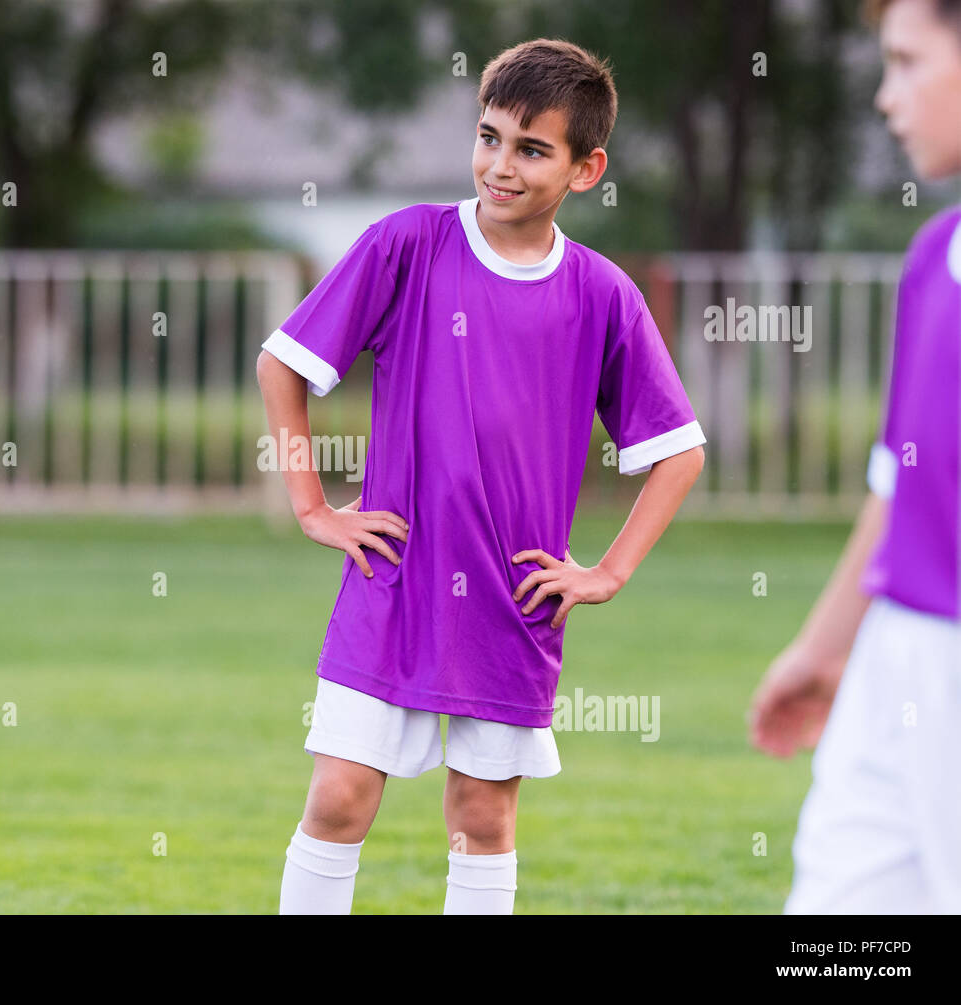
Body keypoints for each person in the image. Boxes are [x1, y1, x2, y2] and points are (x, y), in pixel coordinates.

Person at [256, 38, 707, 915]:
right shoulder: (408, 244)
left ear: (585, 168)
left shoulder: (602, 294)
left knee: (481, 816)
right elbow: (284, 364)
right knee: (341, 797)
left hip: (513, 600)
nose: (500, 165)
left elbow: (678, 450)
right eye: (490, 137)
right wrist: (311, 505)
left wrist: (607, 571)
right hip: (392, 580)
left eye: (532, 149)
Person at [749, 0, 961, 914]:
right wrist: (823, 648)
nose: (886, 96)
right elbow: (896, 488)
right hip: (895, 656)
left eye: (909, 63)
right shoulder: (932, 257)